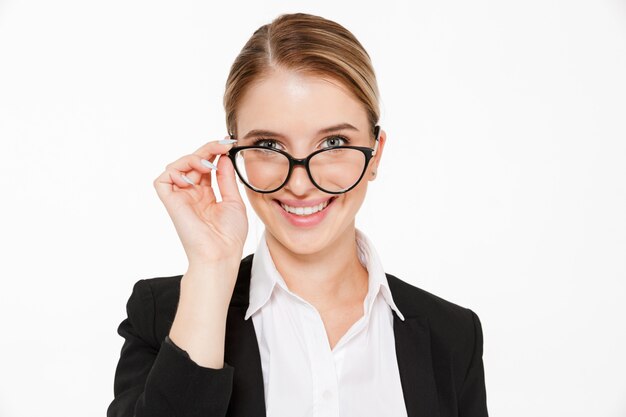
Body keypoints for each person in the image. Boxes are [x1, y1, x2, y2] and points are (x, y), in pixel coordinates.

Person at [107, 12, 488, 417]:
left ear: (376, 154)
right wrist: (212, 266)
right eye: (269, 144)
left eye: (334, 141)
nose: (301, 183)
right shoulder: (166, 315)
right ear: (230, 154)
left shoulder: (452, 335)